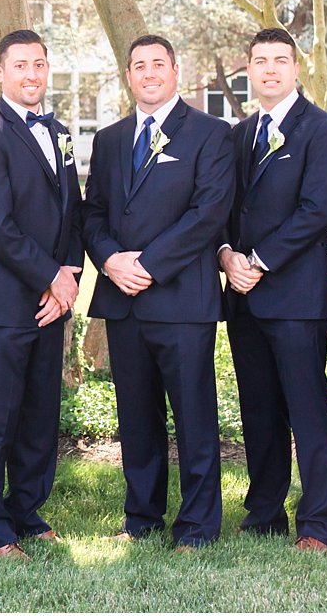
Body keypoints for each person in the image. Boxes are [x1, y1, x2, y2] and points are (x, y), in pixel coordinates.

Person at [83, 34, 236, 550]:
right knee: (136, 415)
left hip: (181, 298)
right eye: (138, 65)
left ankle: (197, 525)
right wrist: (108, 259)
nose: (148, 73)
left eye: (157, 64)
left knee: (194, 415)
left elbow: (209, 213)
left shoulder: (211, 134)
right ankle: (142, 518)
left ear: (175, 69)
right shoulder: (109, 139)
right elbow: (93, 212)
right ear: (129, 75)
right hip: (123, 299)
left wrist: (147, 264)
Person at [0, 29, 84, 560]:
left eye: (39, 65)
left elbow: (72, 209)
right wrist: (48, 275)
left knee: (39, 413)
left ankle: (27, 509)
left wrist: (71, 273)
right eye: (21, 65)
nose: (31, 74)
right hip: (5, 302)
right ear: (0, 72)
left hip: (51, 300)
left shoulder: (57, 131)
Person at [221, 27, 327, 552]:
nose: (269, 69)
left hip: (295, 294)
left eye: (280, 60)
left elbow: (318, 211)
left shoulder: (323, 129)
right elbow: (222, 210)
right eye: (259, 61)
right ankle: (265, 510)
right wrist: (227, 256)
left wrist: (258, 260)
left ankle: (318, 520)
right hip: (243, 294)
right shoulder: (237, 135)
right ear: (248, 70)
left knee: (306, 406)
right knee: (258, 406)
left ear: (296, 69)